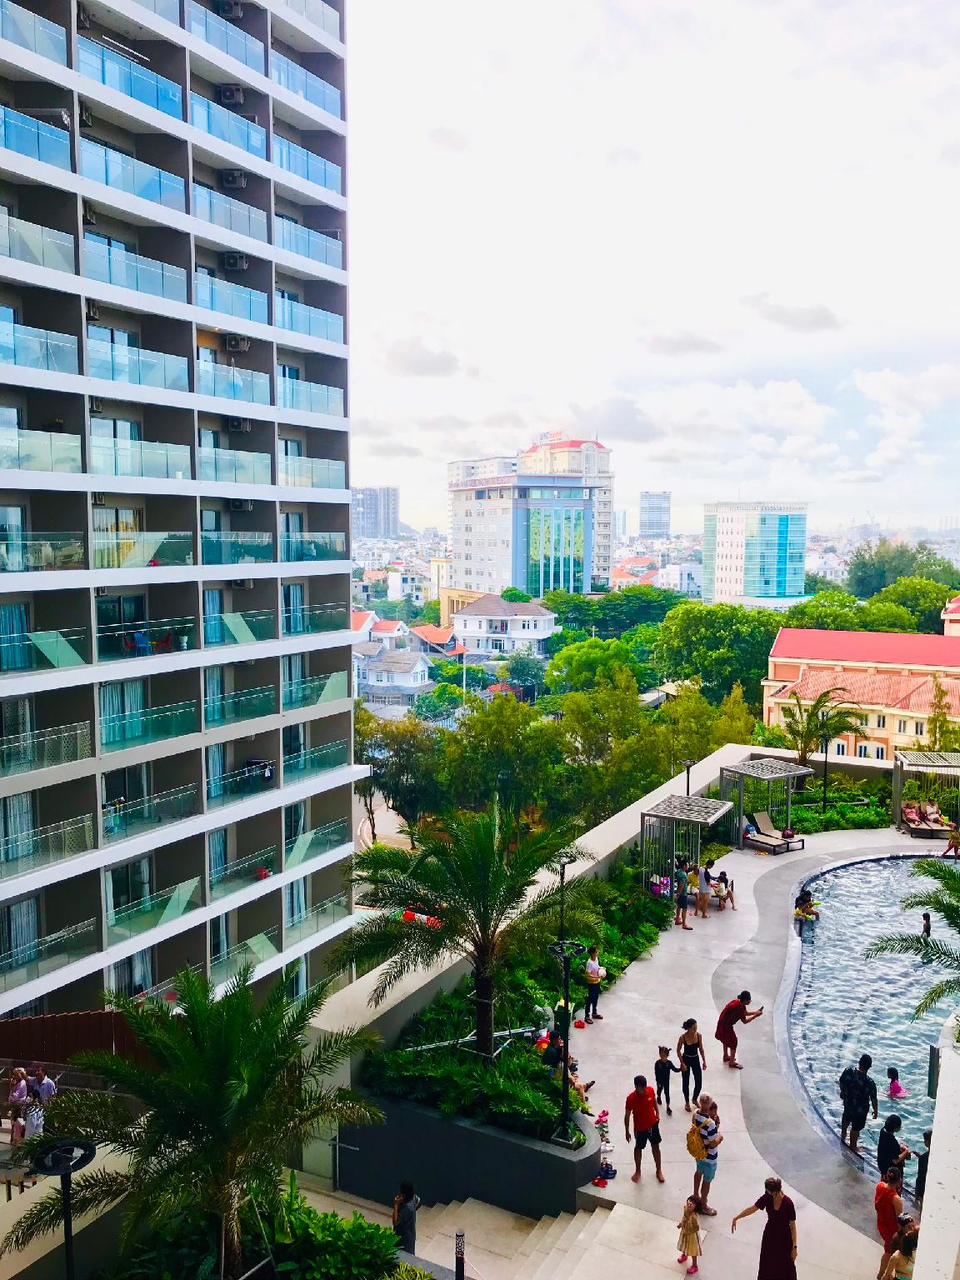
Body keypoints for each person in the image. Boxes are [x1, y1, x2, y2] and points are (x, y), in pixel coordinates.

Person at [731, 1176, 798, 1280]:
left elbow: (793, 1226)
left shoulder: (788, 1203)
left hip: (784, 1238)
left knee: (786, 1266)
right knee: (767, 1263)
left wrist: (794, 1248)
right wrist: (737, 1217)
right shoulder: (767, 1197)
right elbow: (753, 1208)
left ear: (774, 1191)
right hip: (770, 1235)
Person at [624, 1073, 664, 1183]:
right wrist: (627, 1131)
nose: (644, 1090)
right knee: (638, 1148)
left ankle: (659, 1170)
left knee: (656, 1146)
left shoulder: (650, 1090)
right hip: (640, 1128)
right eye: (642, 1088)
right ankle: (638, 1171)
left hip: (653, 1124)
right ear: (636, 1087)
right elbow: (627, 1116)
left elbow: (654, 1101)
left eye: (645, 1087)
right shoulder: (630, 1098)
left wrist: (657, 1112)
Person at [838, 1053, 878, 1153]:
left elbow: (841, 1082)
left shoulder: (849, 1071)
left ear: (859, 1062)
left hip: (848, 1102)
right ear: (869, 1067)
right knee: (856, 1128)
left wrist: (843, 1093)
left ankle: (843, 1134)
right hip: (861, 1110)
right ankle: (853, 1146)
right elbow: (873, 1098)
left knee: (846, 1117)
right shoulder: (870, 1083)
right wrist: (875, 1111)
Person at [691, 1092, 722, 1216]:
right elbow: (713, 1143)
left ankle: (695, 1195)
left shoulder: (695, 1114)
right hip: (709, 1156)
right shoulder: (710, 1123)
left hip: (699, 1153)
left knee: (698, 1172)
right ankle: (703, 1205)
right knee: (707, 1180)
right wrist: (720, 1137)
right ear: (709, 1105)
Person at [715, 991, 763, 1069]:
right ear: (745, 1000)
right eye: (749, 1000)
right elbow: (745, 1021)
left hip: (722, 1022)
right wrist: (755, 1016)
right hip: (726, 1026)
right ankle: (731, 1062)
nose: (750, 1001)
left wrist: (756, 1012)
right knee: (734, 1042)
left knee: (725, 1039)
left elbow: (745, 1013)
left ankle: (726, 1055)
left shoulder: (737, 1002)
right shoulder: (739, 1008)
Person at [875, 1167, 904, 1280]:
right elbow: (899, 1219)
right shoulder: (896, 1199)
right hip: (891, 1229)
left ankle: (885, 1273)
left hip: (881, 1223)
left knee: (888, 1250)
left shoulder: (880, 1186)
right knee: (889, 1252)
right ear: (899, 1180)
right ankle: (882, 1274)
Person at [678, 1018, 707, 1112]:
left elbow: (701, 1049)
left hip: (695, 1059)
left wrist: (704, 1061)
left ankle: (694, 1098)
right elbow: (678, 1050)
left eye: (696, 1028)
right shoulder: (683, 1037)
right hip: (686, 1059)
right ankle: (687, 1102)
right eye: (693, 1028)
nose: (695, 1030)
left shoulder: (698, 1036)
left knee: (699, 1081)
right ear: (689, 1028)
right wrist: (682, 1063)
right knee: (685, 1082)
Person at [677, 1194, 703, 1275]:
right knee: (685, 1244)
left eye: (693, 1203)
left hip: (692, 1236)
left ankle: (695, 1265)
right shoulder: (686, 1209)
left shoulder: (693, 1217)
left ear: (696, 1207)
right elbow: (684, 1218)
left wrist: (688, 1232)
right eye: (690, 1200)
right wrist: (681, 1224)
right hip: (685, 1231)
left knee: (693, 1250)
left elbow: (696, 1228)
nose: (690, 1203)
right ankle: (684, 1254)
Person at [393, 1182, 421, 1254]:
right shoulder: (414, 1198)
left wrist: (396, 1205)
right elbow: (419, 1202)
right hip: (411, 1234)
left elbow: (395, 1222)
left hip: (403, 1238)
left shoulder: (406, 1208)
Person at [655, 1046, 682, 1116]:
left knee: (667, 1093)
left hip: (666, 1081)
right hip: (660, 1081)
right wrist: (658, 1082)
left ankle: (668, 1107)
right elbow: (656, 1073)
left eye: (664, 1055)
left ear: (667, 1056)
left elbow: (675, 1069)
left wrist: (680, 1069)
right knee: (659, 1090)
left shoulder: (669, 1063)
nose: (662, 1057)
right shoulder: (657, 1063)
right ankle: (658, 1096)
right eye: (661, 1055)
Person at [584, 946, 604, 1024]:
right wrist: (596, 977)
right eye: (596, 952)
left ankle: (594, 1013)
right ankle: (587, 1016)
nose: (597, 953)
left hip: (597, 982)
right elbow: (587, 975)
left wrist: (601, 969)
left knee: (596, 997)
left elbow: (597, 967)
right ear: (592, 953)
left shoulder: (596, 959)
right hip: (591, 983)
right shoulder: (589, 963)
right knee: (590, 999)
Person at [915, 1129, 931, 1207]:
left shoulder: (923, 1158)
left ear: (928, 1141)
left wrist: (917, 1192)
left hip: (924, 1188)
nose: (924, 1142)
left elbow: (920, 1176)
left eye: (925, 1140)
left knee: (923, 1207)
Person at [674, 862, 693, 930]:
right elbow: (682, 884)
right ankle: (684, 924)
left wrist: (678, 892)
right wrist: (679, 893)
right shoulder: (683, 874)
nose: (688, 866)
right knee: (684, 908)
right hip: (683, 893)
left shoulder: (678, 871)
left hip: (679, 891)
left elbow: (675, 876)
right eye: (687, 865)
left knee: (679, 906)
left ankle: (677, 919)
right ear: (684, 866)